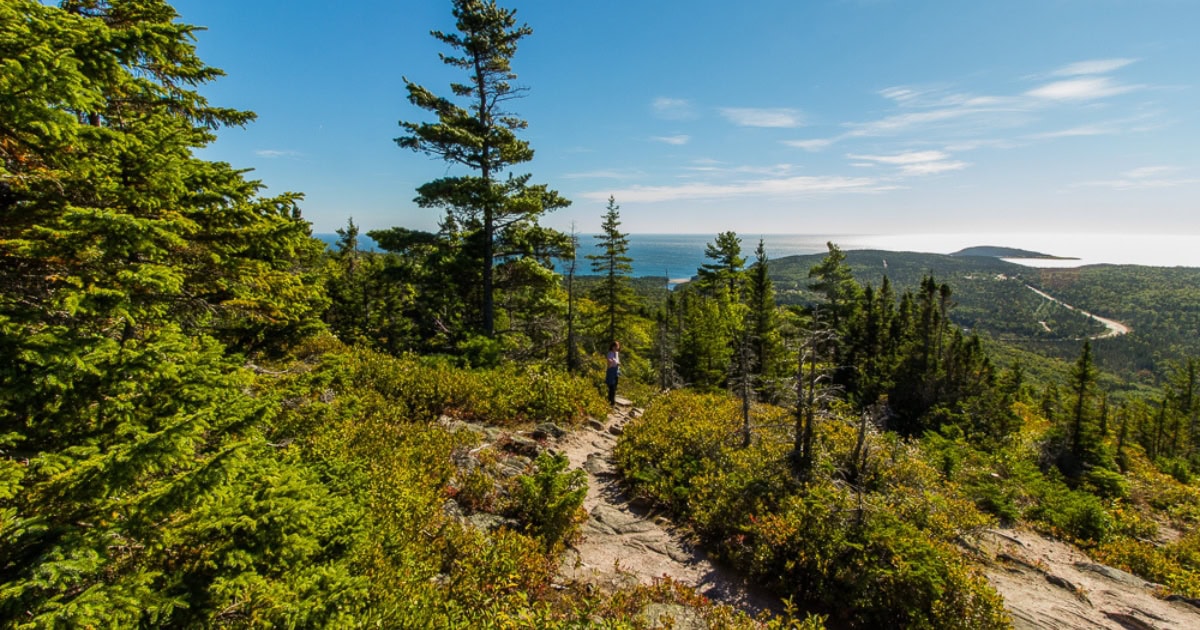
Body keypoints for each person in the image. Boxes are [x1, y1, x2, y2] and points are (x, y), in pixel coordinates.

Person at [605, 341, 621, 405]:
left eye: (617, 346)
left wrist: (616, 363)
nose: (616, 347)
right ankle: (611, 402)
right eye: (615, 346)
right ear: (612, 347)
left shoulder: (617, 354)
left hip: (616, 371)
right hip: (611, 370)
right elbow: (609, 362)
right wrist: (612, 362)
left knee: (615, 386)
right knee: (611, 386)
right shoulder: (610, 353)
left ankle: (611, 401)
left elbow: (618, 363)